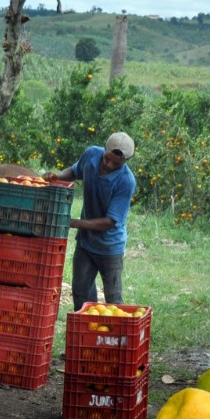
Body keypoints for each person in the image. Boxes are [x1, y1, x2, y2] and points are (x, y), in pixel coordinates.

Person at [46, 132, 137, 310]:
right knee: (81, 294)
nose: (109, 165)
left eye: (116, 164)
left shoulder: (126, 181)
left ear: (125, 162)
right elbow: (74, 171)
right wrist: (57, 177)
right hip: (86, 244)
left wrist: (73, 223)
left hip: (110, 248)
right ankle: (86, 333)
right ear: (104, 150)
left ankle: (114, 335)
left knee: (113, 300)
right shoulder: (91, 154)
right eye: (107, 159)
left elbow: (110, 221)